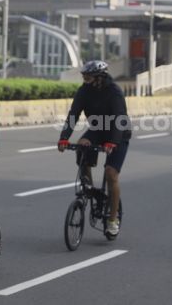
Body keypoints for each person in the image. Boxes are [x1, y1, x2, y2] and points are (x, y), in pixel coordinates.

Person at [57, 60, 131, 237]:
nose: (85, 80)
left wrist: (113, 142)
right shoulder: (84, 91)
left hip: (118, 133)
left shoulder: (114, 92)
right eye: (83, 76)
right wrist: (64, 138)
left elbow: (120, 118)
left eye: (88, 77)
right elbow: (73, 114)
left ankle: (112, 220)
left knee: (111, 173)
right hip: (98, 129)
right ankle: (88, 186)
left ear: (100, 77)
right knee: (82, 146)